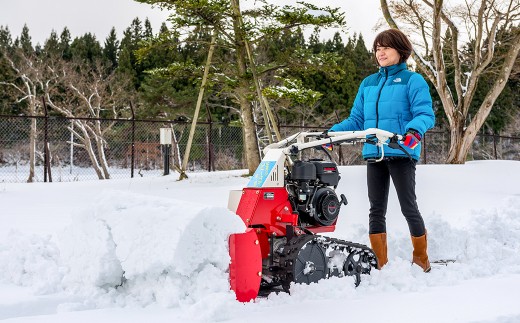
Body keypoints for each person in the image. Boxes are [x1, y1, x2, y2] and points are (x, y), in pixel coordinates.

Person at [329, 29, 435, 272]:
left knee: (408, 206)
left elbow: (425, 114)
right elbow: (356, 119)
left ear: (401, 51)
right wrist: (332, 134)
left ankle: (421, 259)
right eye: (377, 48)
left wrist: (413, 132)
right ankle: (380, 263)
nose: (381, 52)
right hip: (374, 153)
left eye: (386, 47)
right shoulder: (369, 83)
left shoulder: (412, 80)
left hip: (400, 152)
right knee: (376, 209)